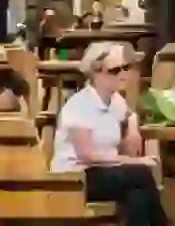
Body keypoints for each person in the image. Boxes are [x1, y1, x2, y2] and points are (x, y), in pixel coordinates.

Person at [51, 42, 166, 226]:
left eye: (124, 68)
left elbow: (131, 114)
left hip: (103, 172)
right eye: (114, 70)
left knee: (137, 196)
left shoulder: (114, 100)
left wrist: (133, 128)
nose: (122, 74)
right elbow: (87, 155)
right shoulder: (79, 104)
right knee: (140, 174)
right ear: (96, 73)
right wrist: (133, 161)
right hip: (75, 177)